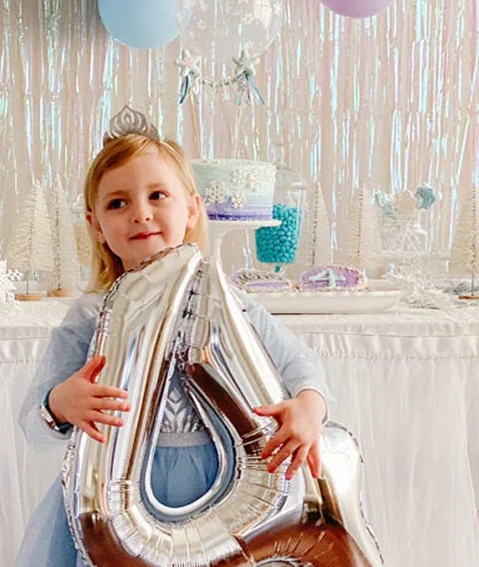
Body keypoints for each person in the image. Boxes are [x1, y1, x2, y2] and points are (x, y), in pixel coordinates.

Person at [16, 112, 330, 567]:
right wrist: (62, 403)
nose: (140, 213)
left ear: (192, 209)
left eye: (157, 195)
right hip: (119, 501)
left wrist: (309, 408)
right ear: (96, 225)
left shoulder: (231, 304)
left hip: (224, 488)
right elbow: (32, 419)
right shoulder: (89, 317)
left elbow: (302, 364)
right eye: (118, 203)